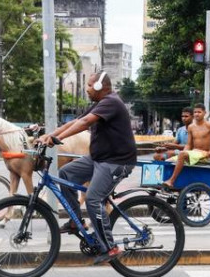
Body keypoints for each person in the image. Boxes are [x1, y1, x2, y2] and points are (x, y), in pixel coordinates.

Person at [35, 70, 137, 264]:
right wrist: (48, 135)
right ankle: (75, 221)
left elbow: (84, 123)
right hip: (99, 158)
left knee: (92, 199)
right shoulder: (99, 104)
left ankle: (111, 247)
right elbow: (74, 121)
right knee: (64, 175)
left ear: (100, 87)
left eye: (90, 85)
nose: (87, 89)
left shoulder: (111, 102)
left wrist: (58, 139)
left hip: (116, 162)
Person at [163, 104, 210, 189]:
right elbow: (189, 144)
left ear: (205, 113)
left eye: (199, 112)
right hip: (193, 152)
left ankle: (171, 181)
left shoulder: (209, 125)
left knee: (181, 155)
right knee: (166, 161)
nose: (197, 114)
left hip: (203, 153)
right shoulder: (191, 127)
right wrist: (184, 152)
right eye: (195, 112)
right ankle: (165, 184)